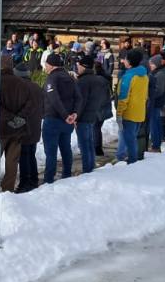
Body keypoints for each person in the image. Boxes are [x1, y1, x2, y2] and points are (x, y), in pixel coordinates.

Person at [0, 55, 33, 193]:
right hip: (17, 129)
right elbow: (29, 104)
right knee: (12, 161)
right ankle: (8, 189)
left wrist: (12, 118)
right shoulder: (22, 83)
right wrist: (18, 119)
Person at [42, 53, 79, 184]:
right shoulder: (70, 78)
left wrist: (65, 115)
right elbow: (78, 97)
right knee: (66, 148)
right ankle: (67, 174)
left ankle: (48, 179)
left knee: (51, 152)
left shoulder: (52, 78)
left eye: (46, 64)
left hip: (53, 119)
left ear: (51, 65)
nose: (45, 66)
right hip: (67, 121)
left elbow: (54, 99)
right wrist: (74, 113)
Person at [75, 57, 109, 174]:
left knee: (84, 144)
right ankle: (91, 166)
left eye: (79, 65)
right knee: (89, 143)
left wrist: (76, 116)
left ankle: (87, 169)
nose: (77, 67)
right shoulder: (96, 79)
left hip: (83, 116)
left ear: (83, 66)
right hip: (93, 114)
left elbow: (81, 101)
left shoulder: (83, 81)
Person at [114, 50, 148, 164]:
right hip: (140, 112)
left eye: (125, 59)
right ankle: (131, 160)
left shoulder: (128, 77)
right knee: (133, 138)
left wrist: (119, 114)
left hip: (129, 114)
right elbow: (145, 95)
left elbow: (123, 98)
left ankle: (132, 163)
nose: (124, 61)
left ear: (130, 62)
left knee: (130, 140)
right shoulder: (144, 75)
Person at [14, 64, 43, 192]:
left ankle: (24, 183)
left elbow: (20, 109)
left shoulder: (20, 88)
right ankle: (34, 180)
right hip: (36, 126)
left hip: (24, 127)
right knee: (31, 154)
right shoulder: (36, 87)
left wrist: (14, 123)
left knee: (24, 156)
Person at [147, 54, 165, 153]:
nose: (150, 66)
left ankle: (155, 145)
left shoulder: (159, 74)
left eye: (151, 64)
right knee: (156, 122)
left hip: (156, 102)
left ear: (156, 64)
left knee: (154, 124)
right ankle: (157, 143)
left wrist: (150, 96)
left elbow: (159, 90)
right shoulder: (157, 73)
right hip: (156, 101)